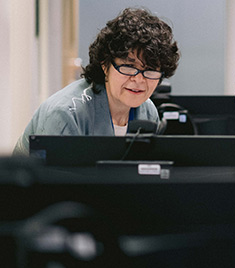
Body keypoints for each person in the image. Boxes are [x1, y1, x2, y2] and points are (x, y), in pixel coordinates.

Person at [13, 7, 180, 156]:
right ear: (105, 65)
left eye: (150, 70)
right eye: (128, 66)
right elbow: (55, 187)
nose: (138, 79)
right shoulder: (66, 113)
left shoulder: (148, 111)